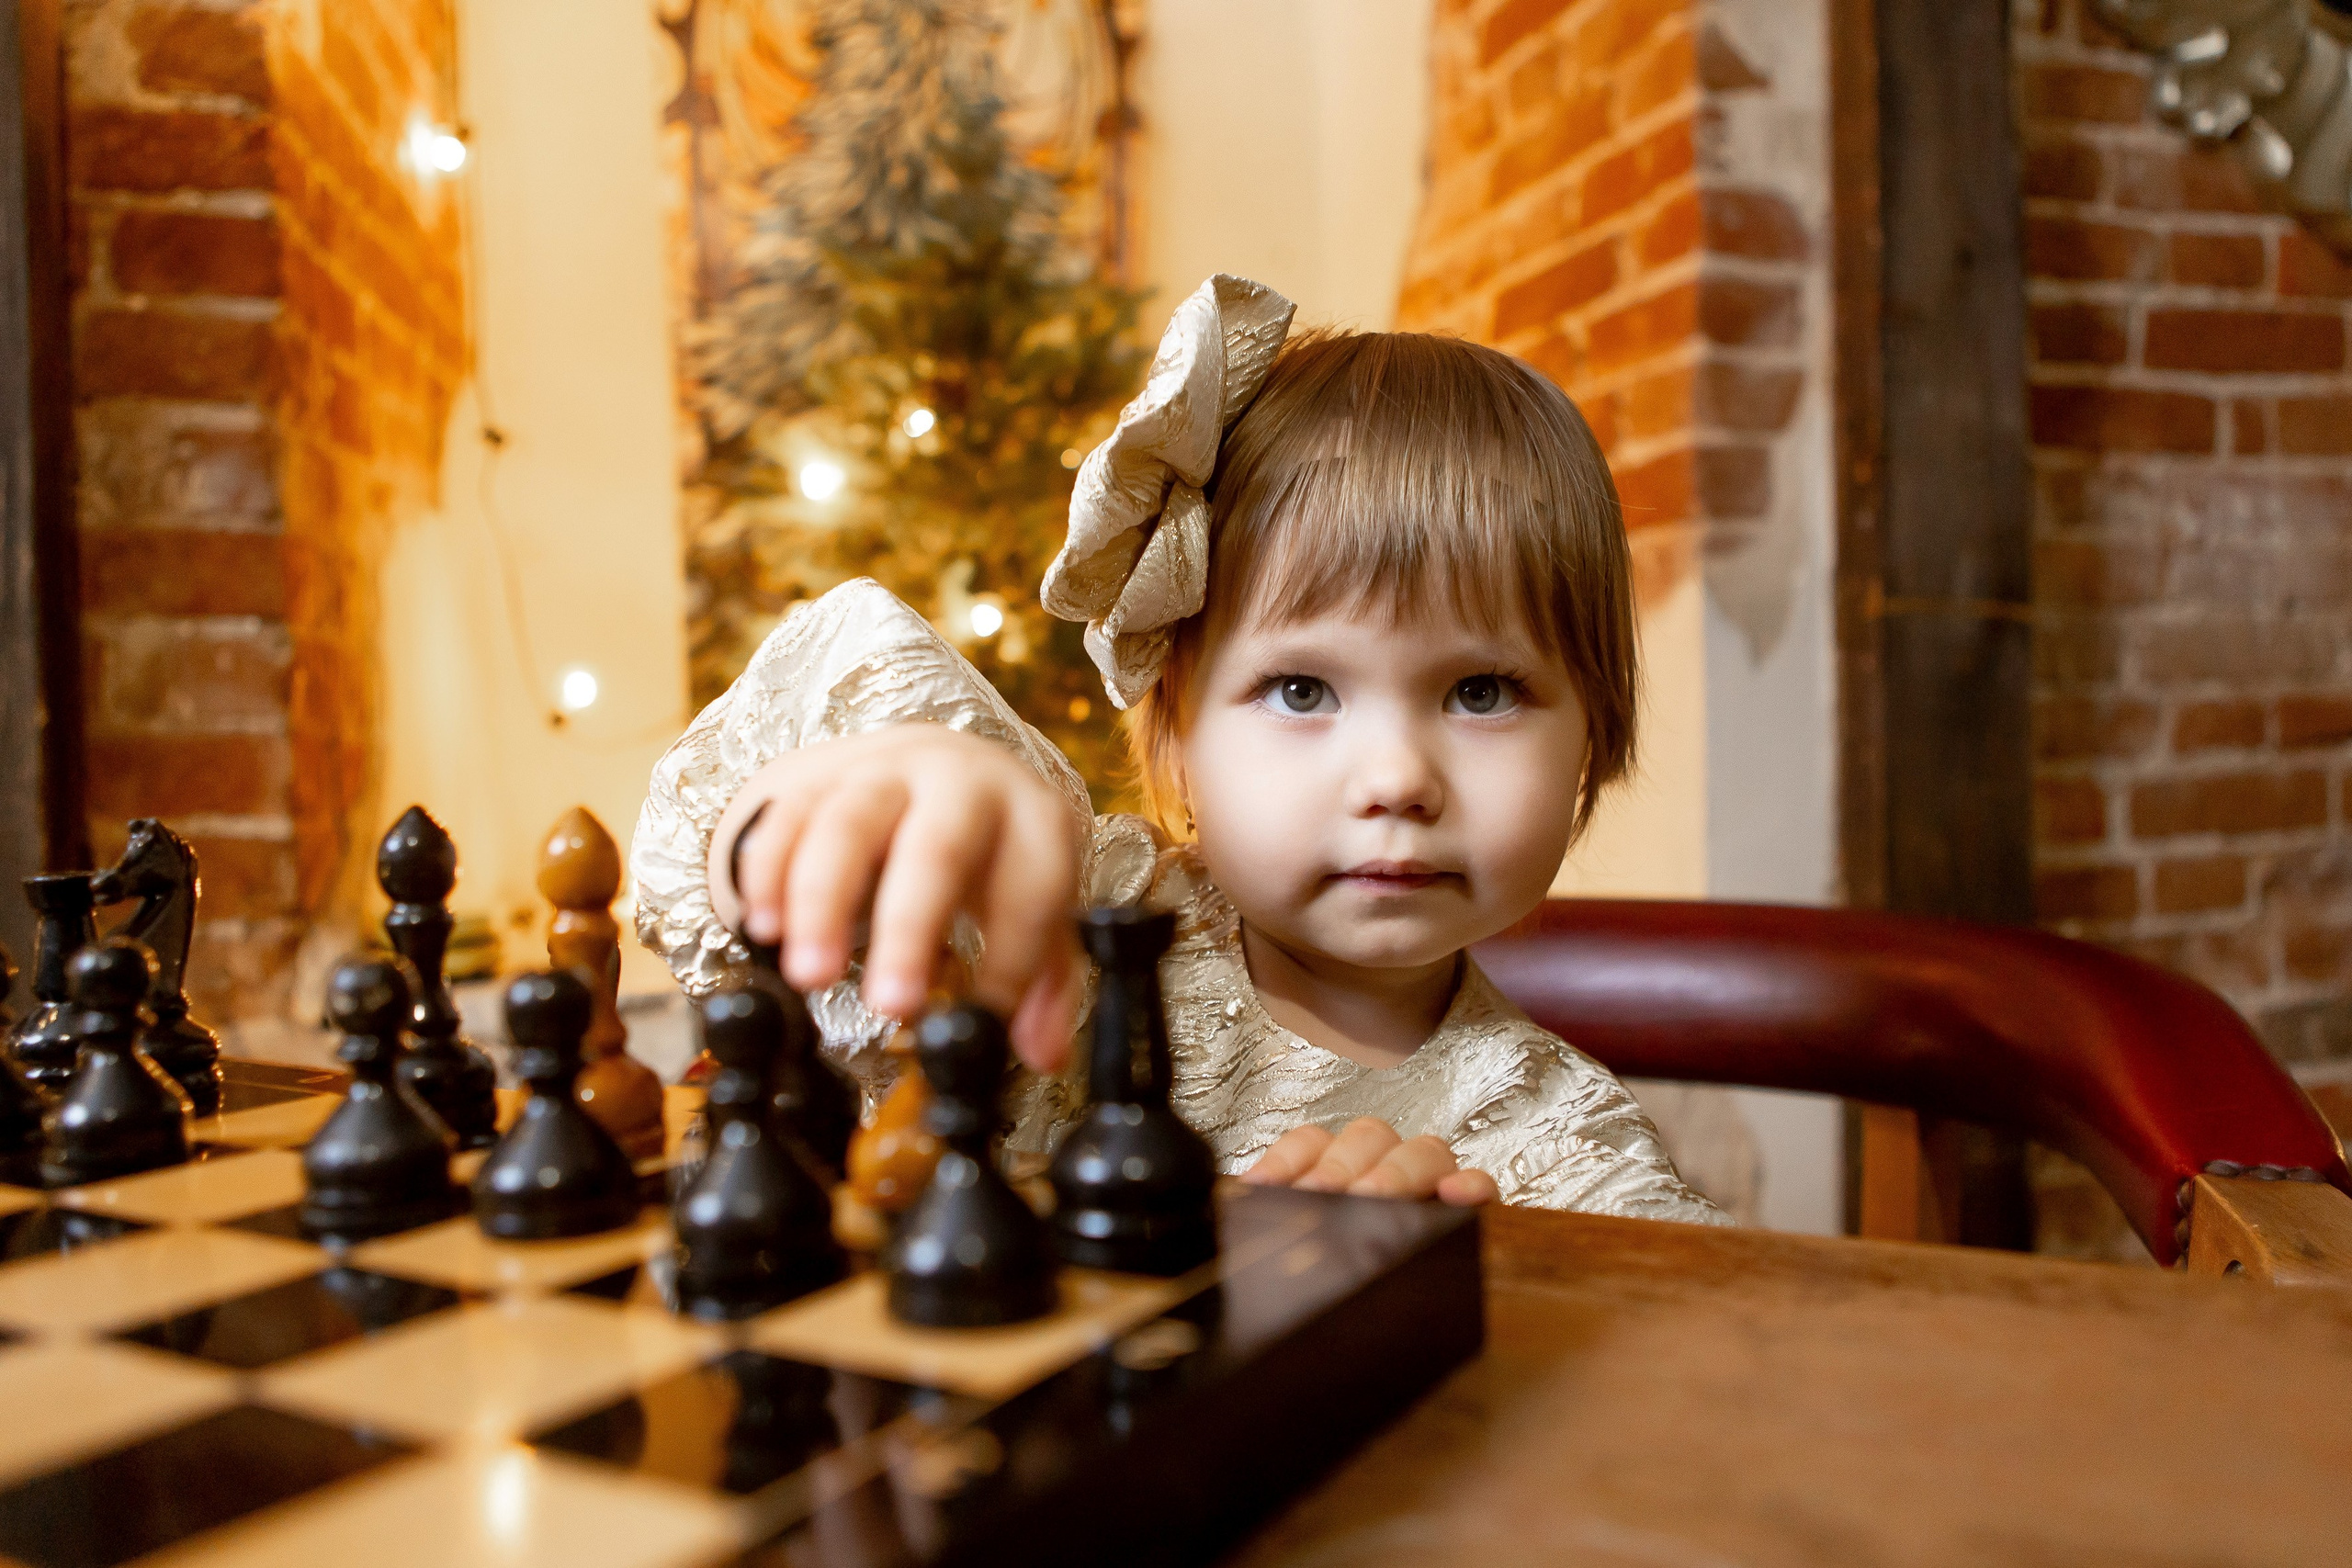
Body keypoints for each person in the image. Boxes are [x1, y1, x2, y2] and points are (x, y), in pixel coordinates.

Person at [633, 274, 1724, 1224]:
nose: (1397, 779)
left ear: (1595, 729)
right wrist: (868, 792)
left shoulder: (1571, 1151)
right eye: (1301, 689)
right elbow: (742, 895)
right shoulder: (1066, 915)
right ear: (1178, 725)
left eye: (1481, 691)